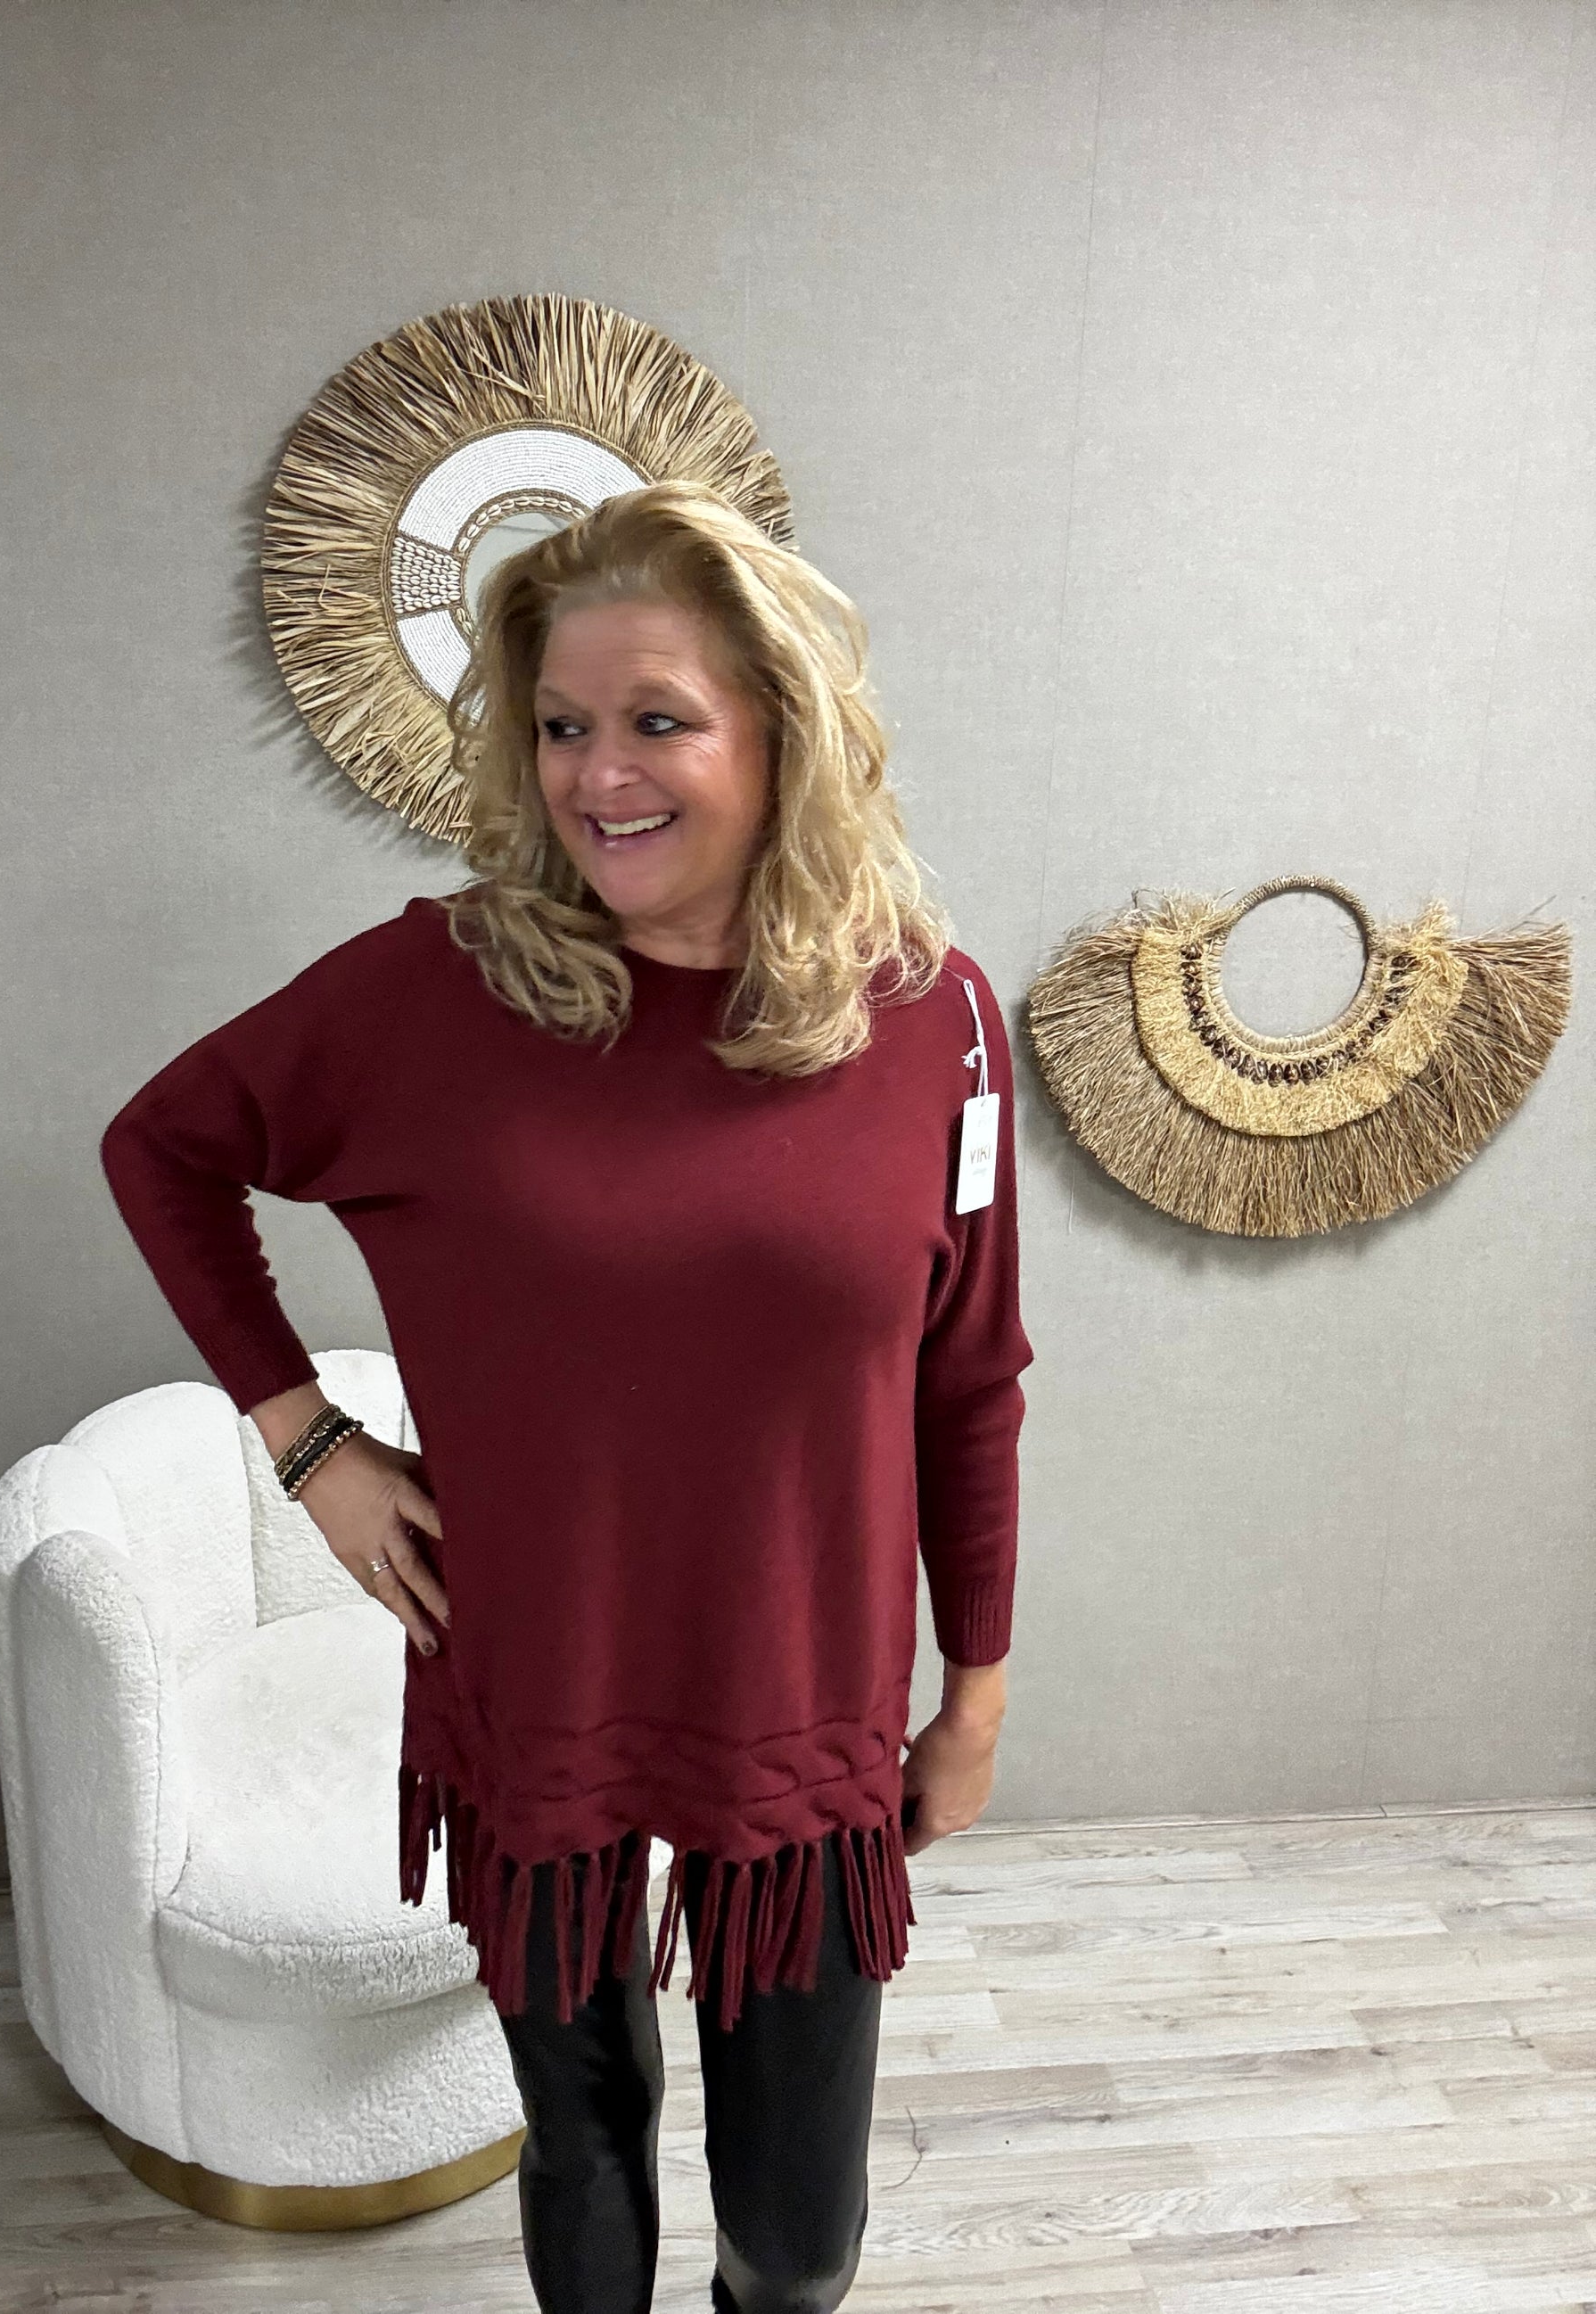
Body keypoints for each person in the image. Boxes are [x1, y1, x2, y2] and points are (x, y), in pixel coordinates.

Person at [99, 479, 1034, 2314]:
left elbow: (970, 1376)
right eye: (558, 725)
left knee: (798, 2235)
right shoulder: (432, 994)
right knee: (584, 2138)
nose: (598, 775)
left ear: (782, 732)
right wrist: (307, 1441)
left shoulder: (934, 1017)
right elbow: (164, 1149)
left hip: (803, 1681)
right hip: (533, 1669)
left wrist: (977, 1685)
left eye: (656, 720)